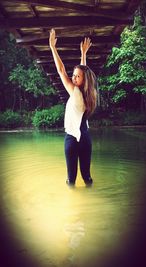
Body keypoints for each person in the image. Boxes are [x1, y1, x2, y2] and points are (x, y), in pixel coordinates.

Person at [49, 29, 97, 186]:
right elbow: (85, 73)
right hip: (85, 139)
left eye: (77, 76)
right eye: (73, 75)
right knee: (87, 178)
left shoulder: (75, 92)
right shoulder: (89, 93)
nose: (73, 78)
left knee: (71, 180)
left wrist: (53, 48)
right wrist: (83, 54)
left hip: (72, 139)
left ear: (82, 80)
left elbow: (61, 71)